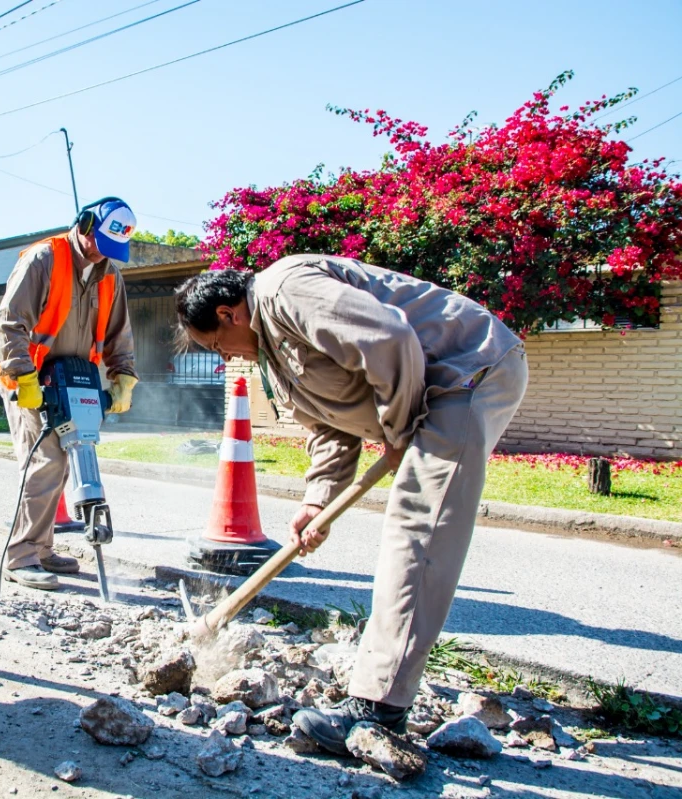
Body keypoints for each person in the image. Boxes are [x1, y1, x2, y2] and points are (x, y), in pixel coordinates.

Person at [174, 254, 527, 753]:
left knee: (418, 529)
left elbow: (390, 338)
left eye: (216, 344)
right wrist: (317, 501)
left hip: (465, 372)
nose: (227, 356)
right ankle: (384, 691)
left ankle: (379, 709)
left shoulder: (284, 290)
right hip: (428, 392)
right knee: (413, 526)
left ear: (230, 313)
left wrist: (401, 429)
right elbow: (331, 428)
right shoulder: (275, 355)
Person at [0, 197, 140, 591]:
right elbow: (9, 324)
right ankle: (21, 555)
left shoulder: (110, 275)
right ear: (85, 225)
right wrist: (24, 377)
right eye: (99, 242)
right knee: (46, 462)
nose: (102, 254)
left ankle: (41, 550)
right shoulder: (43, 260)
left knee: (68, 456)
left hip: (74, 381)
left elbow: (118, 334)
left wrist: (123, 376)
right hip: (30, 379)